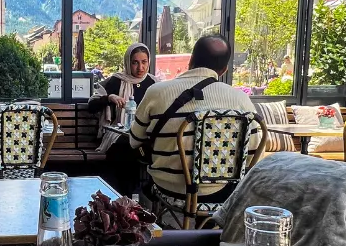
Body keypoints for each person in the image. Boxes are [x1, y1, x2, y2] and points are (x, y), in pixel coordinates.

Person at [130, 34, 256, 205]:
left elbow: (134, 141)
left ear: (191, 60)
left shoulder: (156, 92)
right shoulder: (241, 100)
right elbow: (253, 155)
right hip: (220, 194)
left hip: (168, 188)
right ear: (225, 69)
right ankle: (211, 226)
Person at [88, 43, 155, 195]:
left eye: (144, 62)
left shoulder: (154, 84)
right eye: (135, 62)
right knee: (127, 145)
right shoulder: (115, 82)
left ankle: (129, 196)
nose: (140, 68)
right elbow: (92, 105)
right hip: (118, 133)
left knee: (139, 145)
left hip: (145, 134)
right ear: (128, 63)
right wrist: (109, 98)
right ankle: (127, 195)